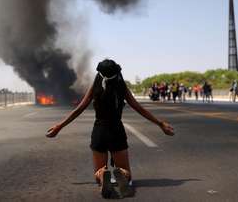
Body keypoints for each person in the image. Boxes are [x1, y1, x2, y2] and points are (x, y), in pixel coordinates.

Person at [46, 59, 174, 199]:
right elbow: (138, 108)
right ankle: (122, 174)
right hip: (117, 131)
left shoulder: (95, 86)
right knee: (128, 175)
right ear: (117, 73)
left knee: (98, 174)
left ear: (99, 74)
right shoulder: (121, 86)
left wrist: (60, 126)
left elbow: (79, 109)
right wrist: (160, 123)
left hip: (99, 131)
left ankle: (102, 175)